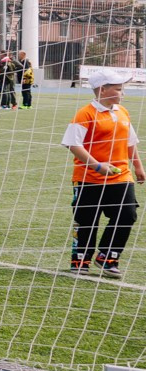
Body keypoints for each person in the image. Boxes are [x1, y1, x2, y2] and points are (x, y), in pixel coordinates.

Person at [64, 74, 141, 277]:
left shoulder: (123, 112)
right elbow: (73, 144)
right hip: (89, 178)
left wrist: (139, 168)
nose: (121, 93)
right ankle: (81, 260)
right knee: (87, 220)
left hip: (121, 176)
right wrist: (97, 166)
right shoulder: (85, 114)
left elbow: (130, 142)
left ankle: (107, 257)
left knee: (127, 215)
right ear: (102, 89)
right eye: (117, 89)